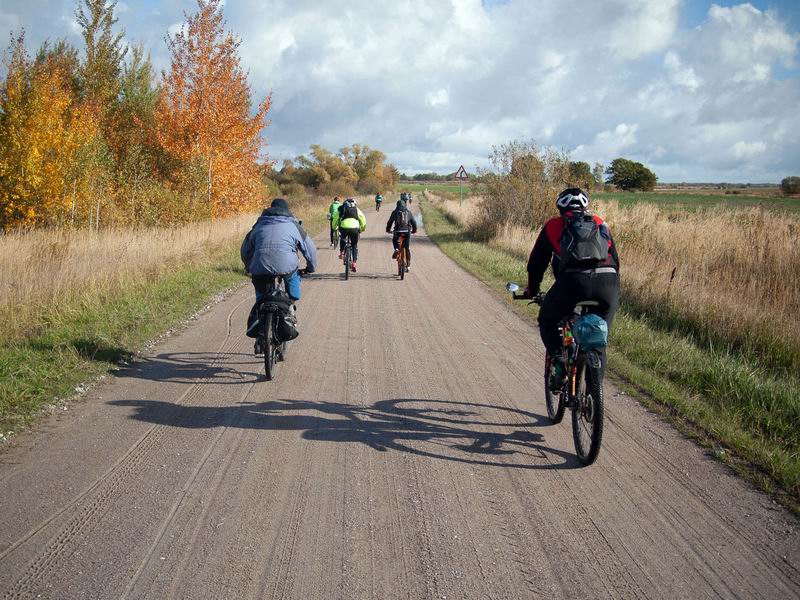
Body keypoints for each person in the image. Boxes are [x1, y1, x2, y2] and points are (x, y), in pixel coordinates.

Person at [523, 188, 620, 390]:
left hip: (573, 283)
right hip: (608, 284)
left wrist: (532, 290)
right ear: (585, 206)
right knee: (599, 340)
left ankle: (558, 361)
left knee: (548, 319)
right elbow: (616, 261)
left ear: (560, 207)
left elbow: (537, 263)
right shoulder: (600, 222)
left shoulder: (553, 225)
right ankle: (594, 394)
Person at [241, 198, 317, 353]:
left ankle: (260, 331)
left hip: (260, 268)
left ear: (270, 209)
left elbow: (245, 250)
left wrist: (249, 266)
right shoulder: (294, 225)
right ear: (288, 211)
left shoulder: (258, 225)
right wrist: (310, 268)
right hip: (286, 268)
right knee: (293, 293)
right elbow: (310, 250)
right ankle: (289, 313)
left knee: (261, 296)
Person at [332, 197, 367, 272]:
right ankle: (354, 263)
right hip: (355, 228)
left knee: (343, 238)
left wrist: (334, 227)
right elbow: (363, 219)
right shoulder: (357, 210)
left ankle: (341, 253)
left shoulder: (341, 209)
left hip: (344, 227)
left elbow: (335, 219)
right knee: (354, 245)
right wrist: (362, 228)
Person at [386, 199, 418, 270]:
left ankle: (396, 249)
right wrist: (414, 230)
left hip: (397, 231)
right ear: (405, 205)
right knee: (407, 247)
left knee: (394, 240)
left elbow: (390, 222)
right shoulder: (408, 212)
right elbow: (414, 222)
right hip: (407, 231)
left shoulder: (394, 212)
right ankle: (408, 265)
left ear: (397, 205)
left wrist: (388, 230)